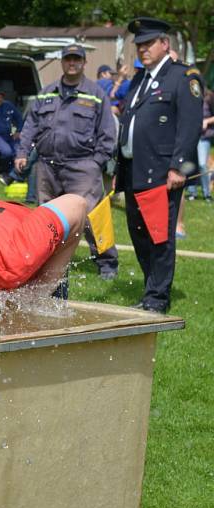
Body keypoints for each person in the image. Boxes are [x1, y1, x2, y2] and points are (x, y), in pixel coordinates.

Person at [115, 17, 203, 313]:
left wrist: (179, 167)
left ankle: (157, 298)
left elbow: (190, 127)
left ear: (165, 44)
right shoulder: (139, 79)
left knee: (159, 235)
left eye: (148, 43)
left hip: (161, 172)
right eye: (139, 44)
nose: (142, 49)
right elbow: (130, 120)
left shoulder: (183, 77)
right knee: (138, 233)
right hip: (132, 170)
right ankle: (151, 287)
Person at [15, 44, 118, 280]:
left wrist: (96, 162)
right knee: (46, 219)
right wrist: (22, 153)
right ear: (62, 62)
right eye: (68, 59)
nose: (72, 63)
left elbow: (108, 132)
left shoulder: (95, 94)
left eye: (76, 59)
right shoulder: (47, 92)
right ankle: (47, 263)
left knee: (92, 217)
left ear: (84, 62)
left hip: (83, 166)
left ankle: (107, 263)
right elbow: (30, 126)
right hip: (47, 166)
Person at [185, 88, 214, 202]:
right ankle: (192, 192)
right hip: (190, 136)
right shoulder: (188, 97)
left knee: (202, 164)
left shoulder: (210, 97)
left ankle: (207, 194)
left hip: (204, 136)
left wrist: (207, 121)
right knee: (190, 164)